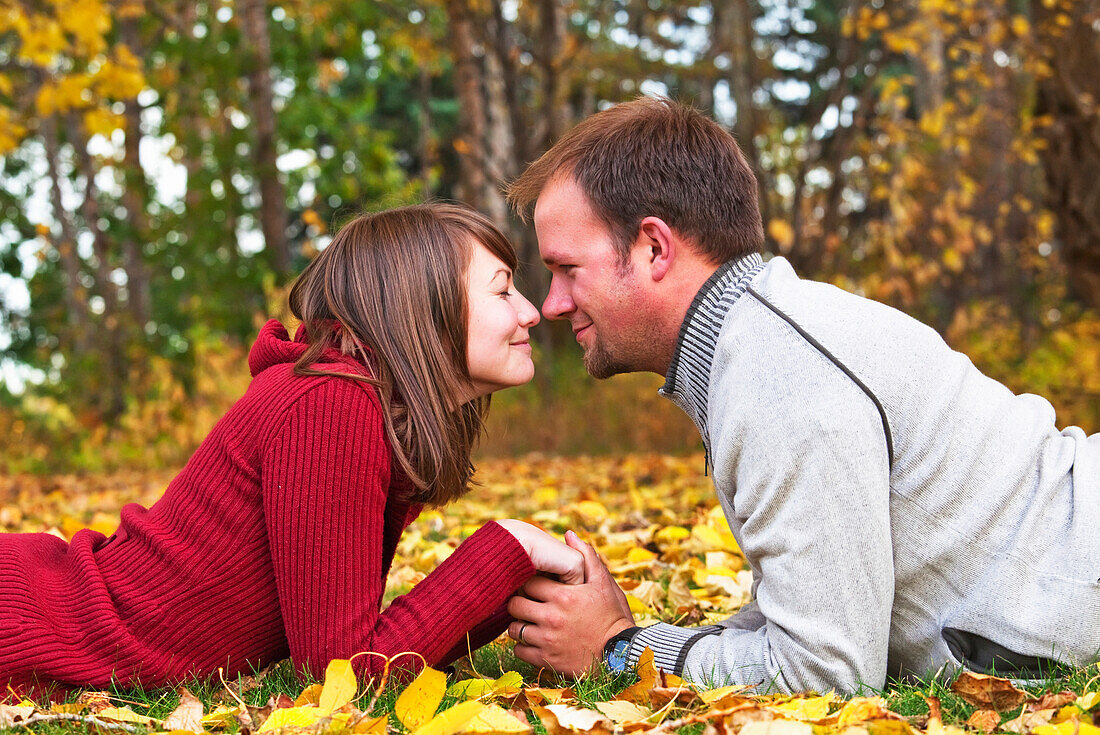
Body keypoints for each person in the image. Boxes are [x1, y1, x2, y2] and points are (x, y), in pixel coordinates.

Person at [502, 96, 1100, 694]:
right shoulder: (760, 344)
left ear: (653, 248)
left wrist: (620, 648)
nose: (552, 304)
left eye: (567, 269)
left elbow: (826, 672)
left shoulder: (782, 379)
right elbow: (811, 609)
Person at [0, 203, 583, 696]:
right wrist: (510, 547)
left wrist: (510, 587)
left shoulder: (351, 401)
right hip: (30, 617)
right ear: (420, 308)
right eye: (503, 290)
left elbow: (350, 647)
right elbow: (341, 677)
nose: (531, 311)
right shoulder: (331, 405)